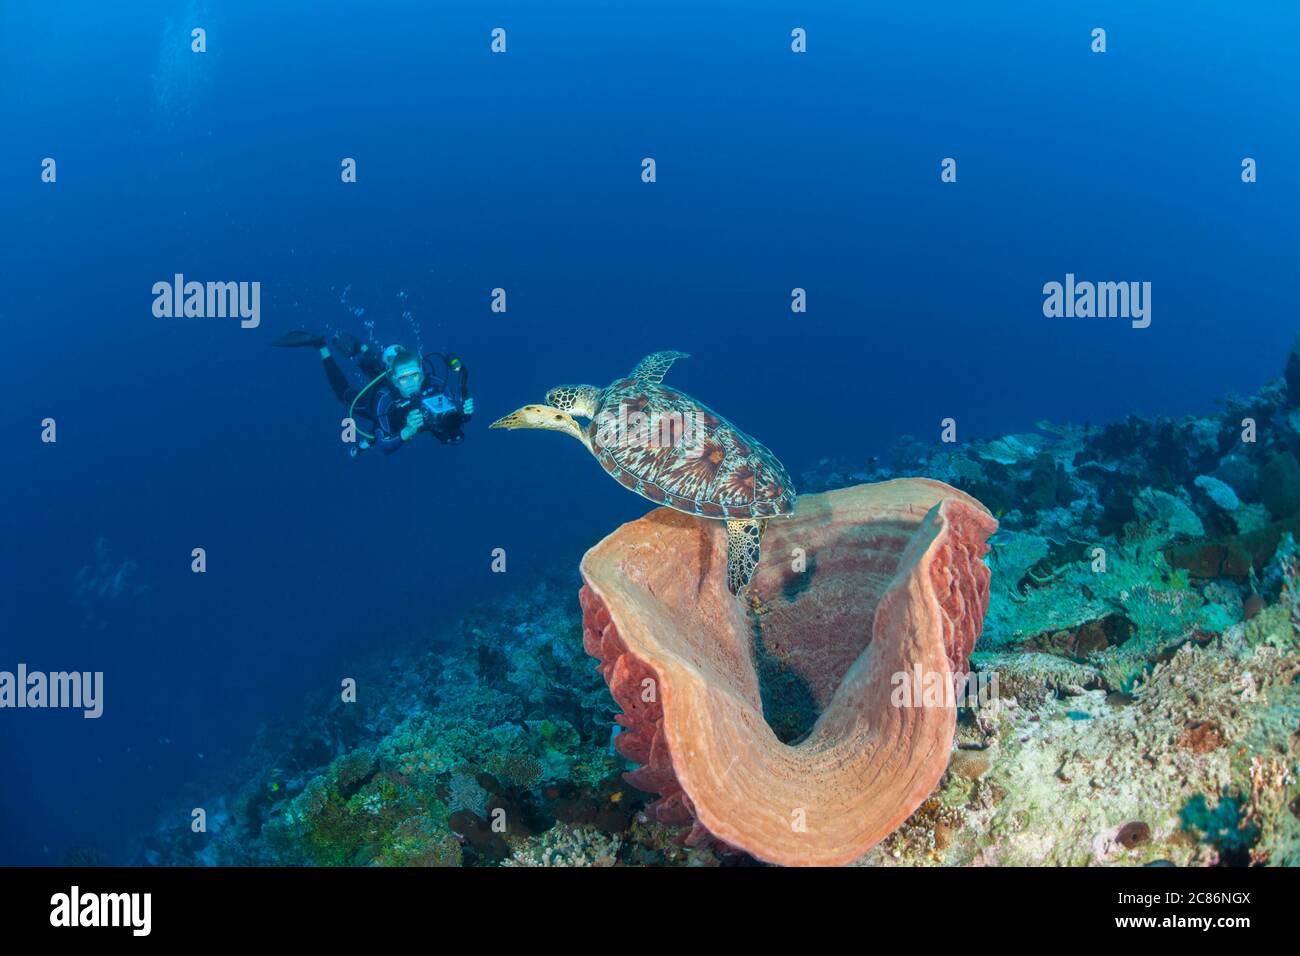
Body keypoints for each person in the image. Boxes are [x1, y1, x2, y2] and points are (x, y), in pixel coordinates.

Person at [272, 330, 473, 455]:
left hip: (392, 378)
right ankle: (321, 346)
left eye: (414, 375)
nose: (411, 383)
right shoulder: (382, 399)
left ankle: (363, 349)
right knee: (344, 395)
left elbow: (452, 418)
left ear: (422, 372)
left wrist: (464, 411)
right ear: (394, 380)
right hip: (378, 403)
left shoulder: (436, 385)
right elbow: (384, 446)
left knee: (386, 367)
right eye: (404, 378)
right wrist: (406, 432)